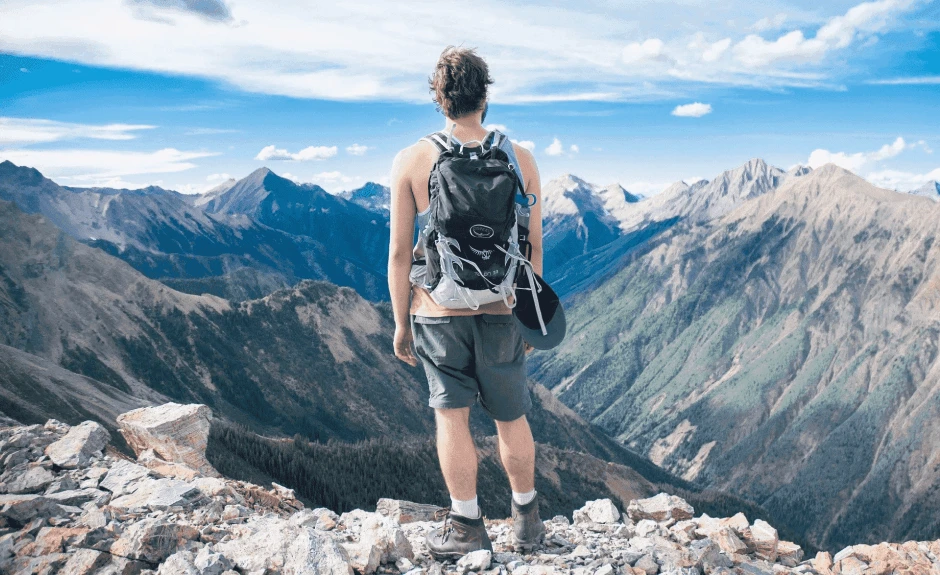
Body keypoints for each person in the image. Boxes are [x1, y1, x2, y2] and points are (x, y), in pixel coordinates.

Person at [388, 46, 545, 559]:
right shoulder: (520, 158)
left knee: (451, 418)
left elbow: (396, 252)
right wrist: (531, 314)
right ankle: (526, 521)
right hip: (502, 308)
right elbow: (532, 246)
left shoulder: (411, 159)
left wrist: (400, 324)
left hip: (436, 310)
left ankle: (466, 527)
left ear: (439, 97)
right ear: (485, 93)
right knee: (511, 417)